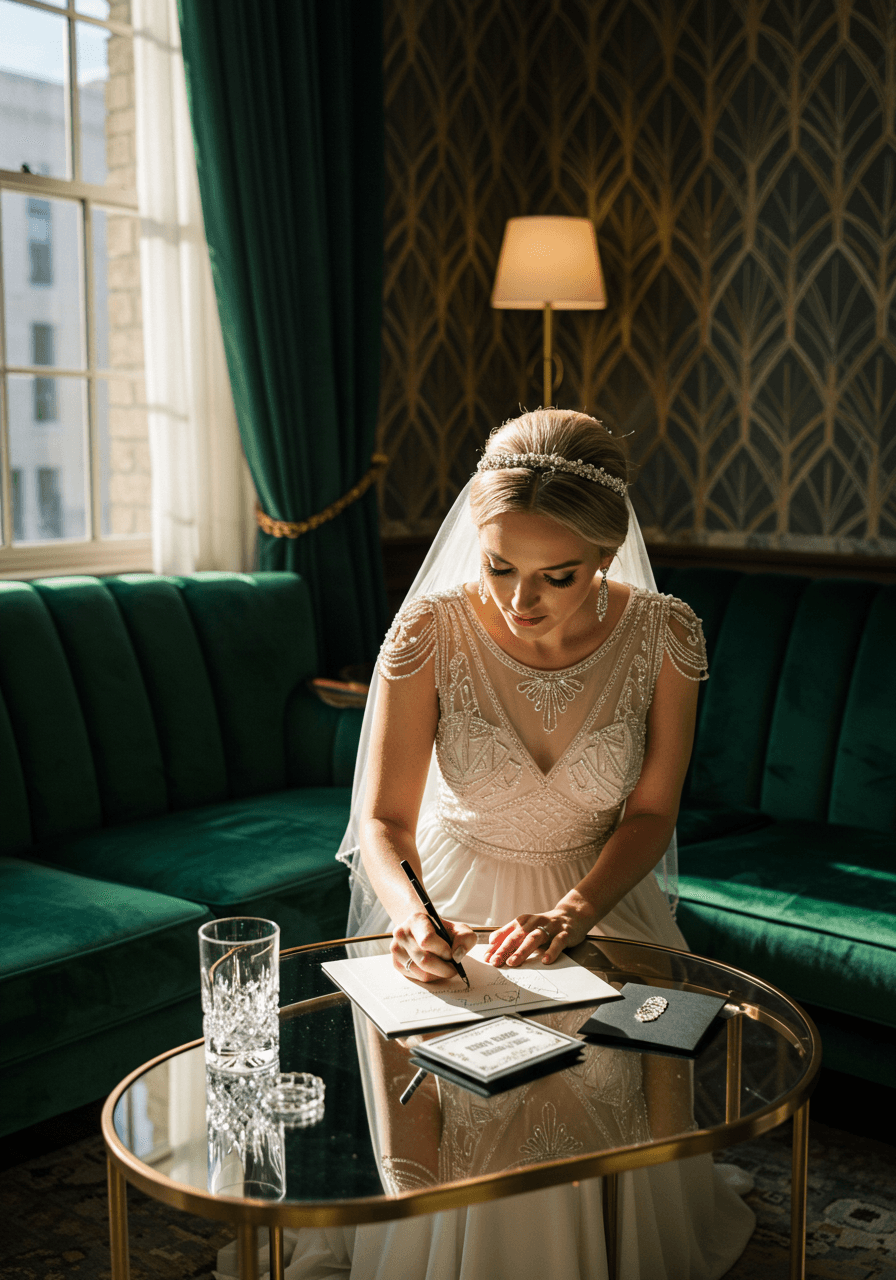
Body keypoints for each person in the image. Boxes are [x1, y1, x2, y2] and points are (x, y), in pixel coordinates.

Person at [256, 409, 756, 1280]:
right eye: (497, 566)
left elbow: (650, 813)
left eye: (556, 576)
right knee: (469, 1102)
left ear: (605, 556)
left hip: (600, 898)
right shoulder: (430, 633)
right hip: (446, 905)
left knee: (603, 1093)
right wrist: (413, 920)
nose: (518, 601)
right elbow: (381, 823)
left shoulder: (666, 635)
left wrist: (577, 908)